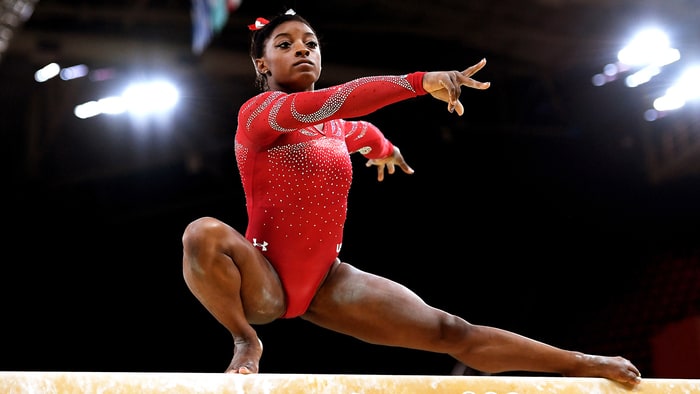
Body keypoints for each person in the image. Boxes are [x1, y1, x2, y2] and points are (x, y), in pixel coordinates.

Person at [181, 9, 642, 386]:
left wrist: (387, 151)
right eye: (285, 44)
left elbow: (363, 131)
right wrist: (420, 81)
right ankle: (245, 341)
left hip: (328, 283)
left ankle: (582, 363)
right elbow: (340, 101)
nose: (302, 47)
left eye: (311, 42)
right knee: (202, 233)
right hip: (263, 281)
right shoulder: (260, 113)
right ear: (262, 65)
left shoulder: (337, 131)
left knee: (451, 330)